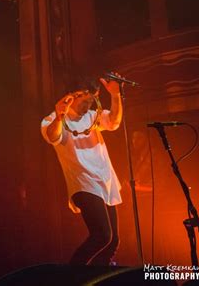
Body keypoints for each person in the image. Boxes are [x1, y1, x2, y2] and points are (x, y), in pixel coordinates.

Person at [40, 73, 123, 266]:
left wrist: (115, 96)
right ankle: (72, 276)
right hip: (83, 183)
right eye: (86, 98)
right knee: (102, 235)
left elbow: (114, 122)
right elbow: (53, 137)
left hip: (106, 180)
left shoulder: (93, 116)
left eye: (93, 98)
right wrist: (60, 116)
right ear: (74, 94)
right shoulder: (52, 120)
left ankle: (99, 275)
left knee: (113, 242)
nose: (90, 104)